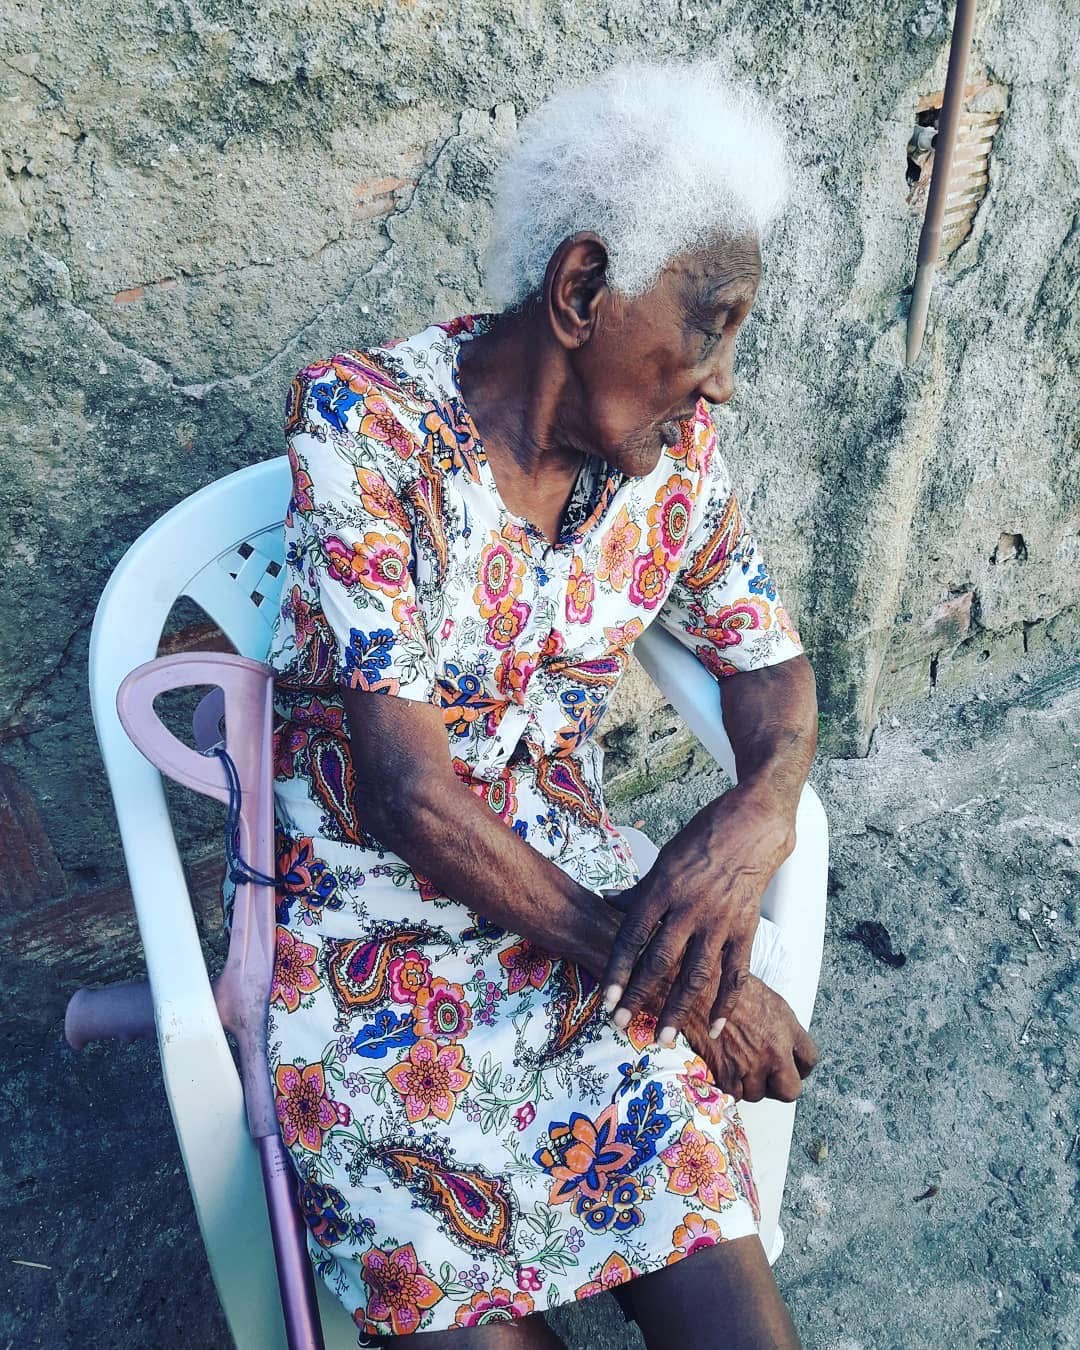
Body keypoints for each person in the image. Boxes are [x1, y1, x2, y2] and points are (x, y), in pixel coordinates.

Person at [267, 61, 820, 1348]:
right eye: (713, 321)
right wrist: (695, 990)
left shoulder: (671, 458)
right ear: (582, 290)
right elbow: (409, 798)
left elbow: (771, 662)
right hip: (371, 964)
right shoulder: (366, 427)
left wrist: (763, 811)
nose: (723, 377)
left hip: (579, 930)